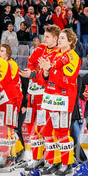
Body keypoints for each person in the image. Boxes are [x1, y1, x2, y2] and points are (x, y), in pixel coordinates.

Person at [38, 29, 81, 176]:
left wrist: (50, 70)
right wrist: (45, 72)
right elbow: (44, 80)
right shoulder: (55, 55)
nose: (60, 40)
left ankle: (67, 164)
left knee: (62, 133)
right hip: (49, 98)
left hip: (62, 99)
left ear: (70, 41)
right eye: (60, 37)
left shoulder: (73, 57)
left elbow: (67, 79)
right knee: (48, 133)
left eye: (63, 38)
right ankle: (53, 162)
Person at [21, 25, 59, 167]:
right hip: (32, 93)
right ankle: (37, 157)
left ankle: (51, 158)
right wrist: (31, 72)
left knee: (45, 127)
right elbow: (31, 63)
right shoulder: (39, 48)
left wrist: (33, 75)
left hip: (46, 95)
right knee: (31, 125)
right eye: (45, 35)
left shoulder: (58, 53)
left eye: (48, 36)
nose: (45, 38)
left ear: (55, 38)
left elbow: (50, 75)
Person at [0, 42, 24, 171]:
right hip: (2, 99)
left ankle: (11, 155)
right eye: (0, 51)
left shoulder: (10, 64)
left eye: (2, 51)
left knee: (8, 128)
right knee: (2, 128)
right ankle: (16, 151)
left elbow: (6, 82)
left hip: (11, 99)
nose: (0, 53)